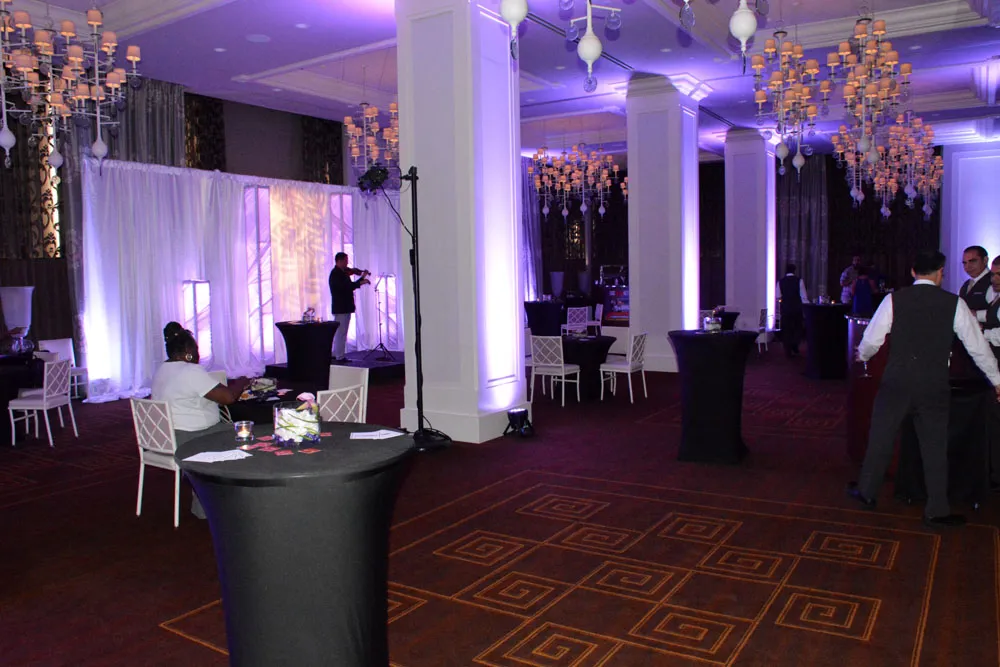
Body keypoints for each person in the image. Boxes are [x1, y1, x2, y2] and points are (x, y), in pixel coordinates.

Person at [849, 250, 1000, 527]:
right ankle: (936, 509)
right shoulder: (954, 304)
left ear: (912, 272)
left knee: (881, 438)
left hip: (897, 381)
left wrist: (864, 355)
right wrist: (997, 380)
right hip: (933, 384)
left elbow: (871, 340)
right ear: (941, 272)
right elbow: (978, 348)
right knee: (934, 447)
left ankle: (867, 492)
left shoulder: (894, 299)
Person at [151, 322, 251, 518]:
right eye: (196, 350)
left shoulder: (162, 369)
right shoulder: (190, 371)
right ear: (189, 352)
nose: (198, 355)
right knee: (247, 436)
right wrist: (242, 382)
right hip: (194, 437)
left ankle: (210, 500)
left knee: (230, 429)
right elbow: (228, 398)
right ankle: (230, 503)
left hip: (168, 436)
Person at [328, 252, 369, 363]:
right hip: (341, 307)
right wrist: (361, 281)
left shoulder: (342, 273)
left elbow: (349, 286)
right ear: (340, 261)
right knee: (341, 333)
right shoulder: (336, 274)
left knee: (341, 332)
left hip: (344, 307)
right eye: (346, 260)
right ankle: (339, 356)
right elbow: (347, 287)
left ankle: (336, 353)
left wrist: (362, 278)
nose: (347, 263)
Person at [776, 263, 808, 357]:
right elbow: (803, 297)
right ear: (794, 270)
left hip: (785, 309)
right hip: (796, 309)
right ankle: (795, 346)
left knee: (787, 329)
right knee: (796, 328)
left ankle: (787, 349)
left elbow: (778, 296)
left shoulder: (780, 282)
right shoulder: (799, 281)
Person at [959, 245, 991, 319]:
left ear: (985, 260)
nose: (967, 266)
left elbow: (996, 312)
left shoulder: (994, 282)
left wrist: (976, 314)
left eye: (972, 261)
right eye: (965, 263)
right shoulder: (966, 285)